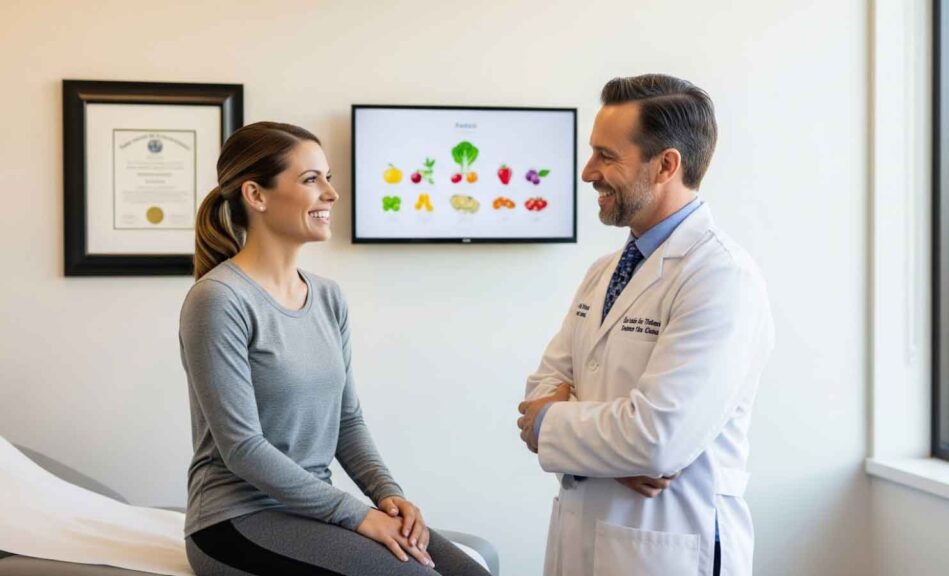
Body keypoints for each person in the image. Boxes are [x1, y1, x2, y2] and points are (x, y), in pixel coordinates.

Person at [179, 121, 488, 576]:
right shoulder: (219, 299)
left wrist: (388, 495)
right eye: (311, 180)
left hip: (308, 510)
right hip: (235, 520)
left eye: (328, 177)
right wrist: (358, 515)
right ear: (256, 195)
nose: (331, 193)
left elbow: (346, 421)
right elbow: (242, 447)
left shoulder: (327, 297)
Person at [517, 75, 774, 576]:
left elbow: (657, 439)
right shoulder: (604, 271)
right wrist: (610, 448)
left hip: (668, 546)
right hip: (584, 534)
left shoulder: (720, 276)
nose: (588, 172)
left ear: (666, 165)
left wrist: (557, 424)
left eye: (606, 156)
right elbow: (538, 392)